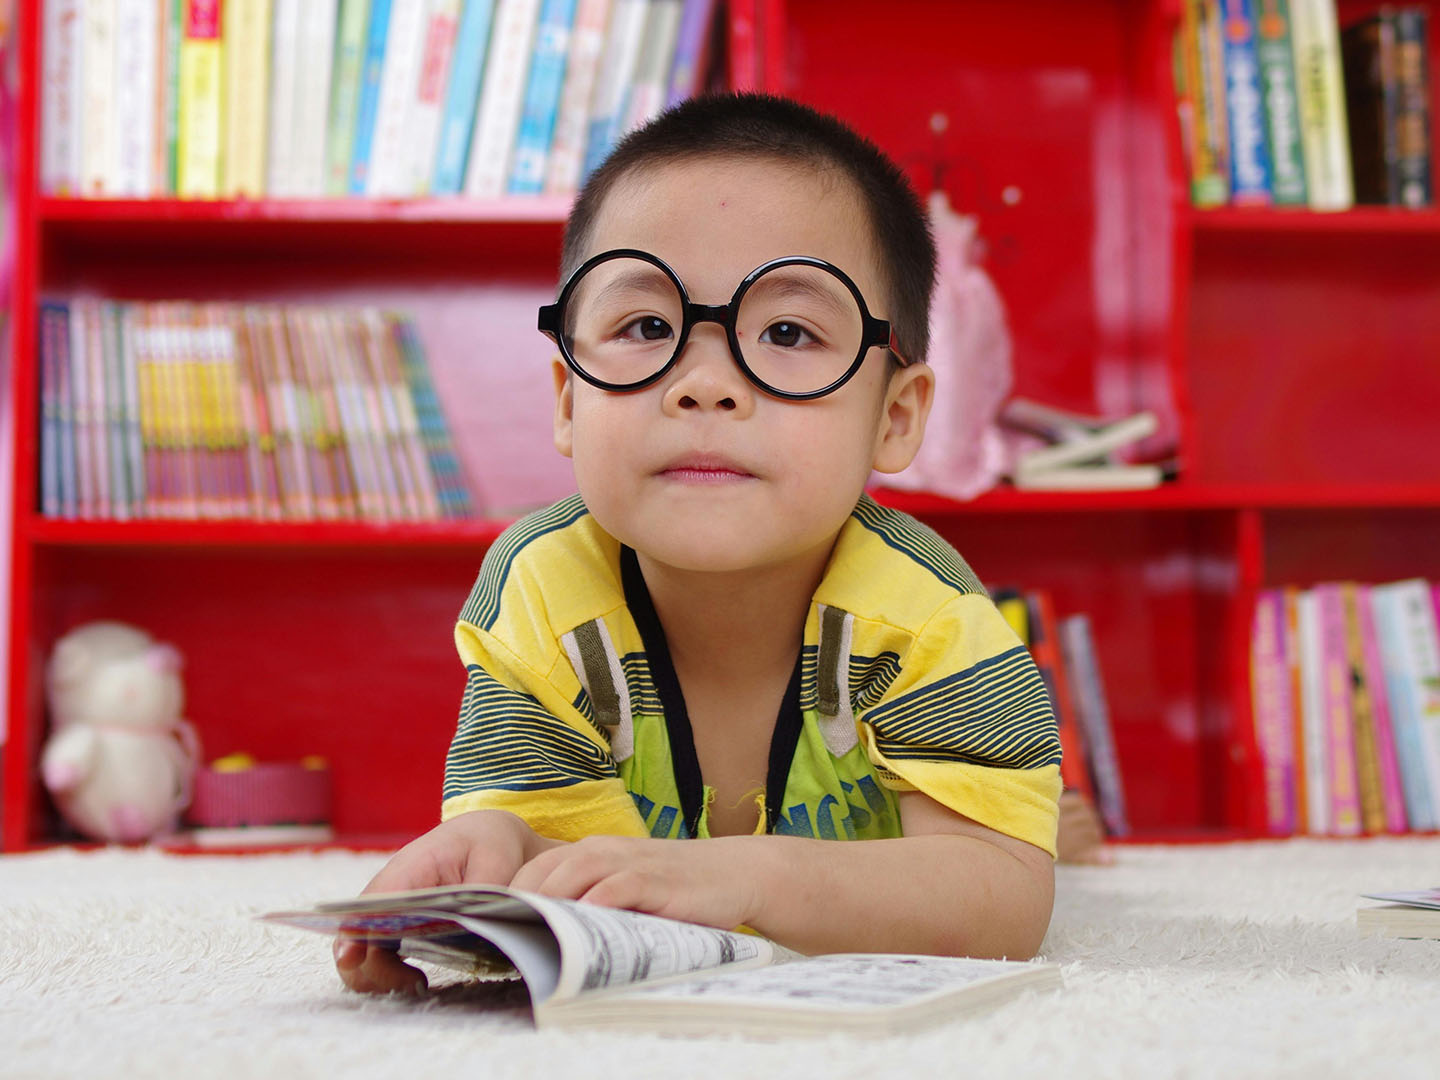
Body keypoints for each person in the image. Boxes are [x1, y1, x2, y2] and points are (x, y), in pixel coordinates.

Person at [337, 93, 1067, 995]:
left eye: (789, 332)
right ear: (568, 400)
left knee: (1044, 833)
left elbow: (1004, 897)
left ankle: (1058, 811)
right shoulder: (540, 591)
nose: (707, 384)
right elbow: (570, 858)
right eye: (648, 327)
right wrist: (502, 849)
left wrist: (746, 874)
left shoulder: (926, 614)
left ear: (897, 416)